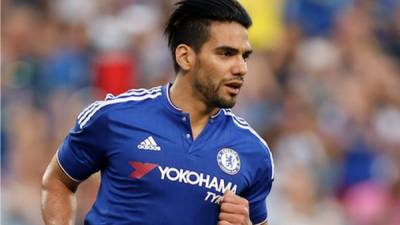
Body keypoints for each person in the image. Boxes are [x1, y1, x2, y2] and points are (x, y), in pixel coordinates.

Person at [41, 0, 274, 224]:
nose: (241, 68)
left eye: (244, 56)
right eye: (226, 53)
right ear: (185, 57)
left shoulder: (254, 152)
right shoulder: (114, 117)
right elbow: (58, 181)